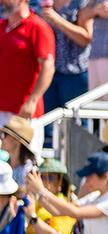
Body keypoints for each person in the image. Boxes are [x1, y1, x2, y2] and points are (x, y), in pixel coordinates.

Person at [0, 0, 54, 139]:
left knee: (25, 159)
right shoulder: (2, 26)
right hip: (1, 109)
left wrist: (32, 101)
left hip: (22, 113)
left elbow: (48, 67)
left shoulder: (37, 27)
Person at [40, 0, 92, 112]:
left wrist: (57, 20)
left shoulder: (81, 3)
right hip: (49, 72)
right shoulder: (44, 2)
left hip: (75, 73)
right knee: (48, 123)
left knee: (75, 123)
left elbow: (86, 38)